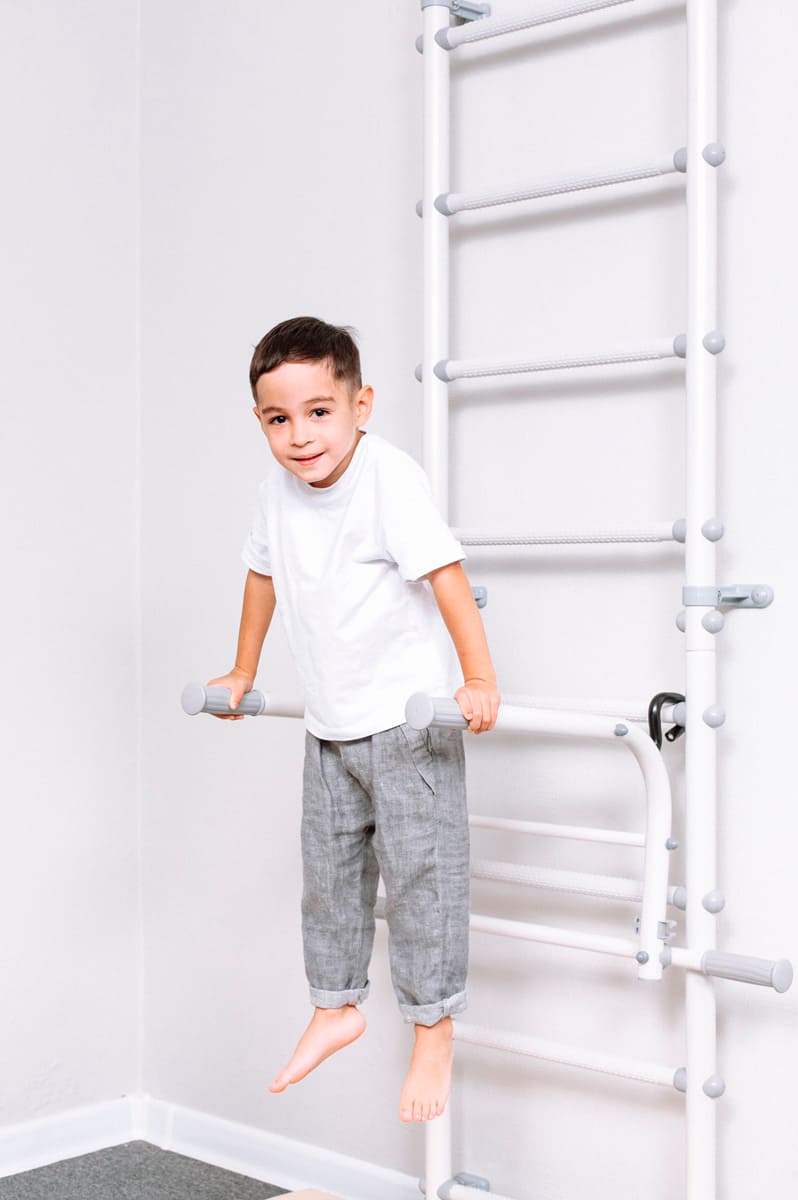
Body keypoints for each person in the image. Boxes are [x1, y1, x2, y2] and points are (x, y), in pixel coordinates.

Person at [208, 316, 499, 1123]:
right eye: (279, 419)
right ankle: (335, 1005)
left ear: (359, 405)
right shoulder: (275, 495)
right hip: (330, 729)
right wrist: (243, 670)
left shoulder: (388, 480)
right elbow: (261, 578)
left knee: (421, 882)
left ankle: (432, 1028)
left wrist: (478, 678)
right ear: (261, 423)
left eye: (319, 411)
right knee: (328, 882)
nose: (300, 435)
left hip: (409, 726)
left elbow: (446, 576)